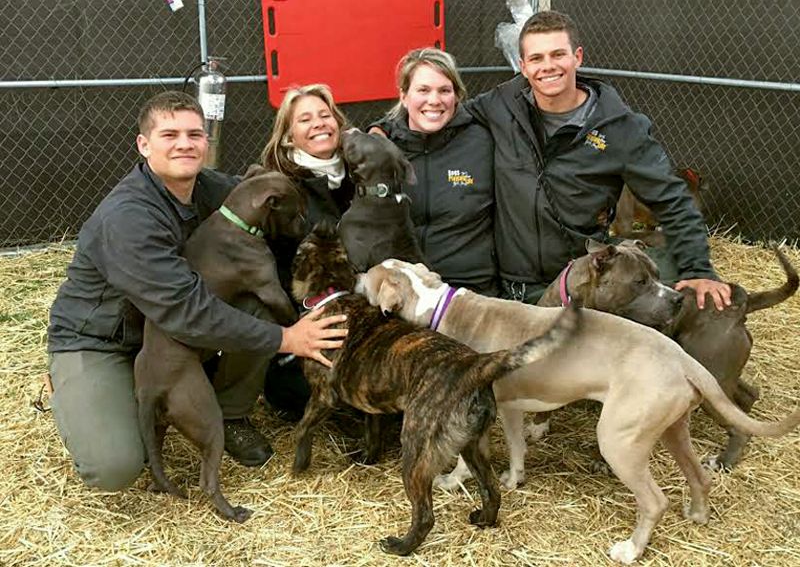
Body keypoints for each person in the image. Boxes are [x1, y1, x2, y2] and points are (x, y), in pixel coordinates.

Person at [46, 91, 348, 492]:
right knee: (114, 467)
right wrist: (288, 338)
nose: (185, 143)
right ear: (144, 144)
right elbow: (188, 312)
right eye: (169, 134)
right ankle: (70, 384)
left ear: (207, 142)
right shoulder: (129, 217)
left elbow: (268, 194)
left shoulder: (207, 188)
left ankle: (230, 412)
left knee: (257, 305)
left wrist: (318, 149)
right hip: (105, 340)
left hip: (165, 333)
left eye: (195, 134)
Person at [465, 10, 731, 308]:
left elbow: (672, 199)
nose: (548, 66)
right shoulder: (500, 105)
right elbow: (445, 118)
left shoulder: (619, 127)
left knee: (671, 296)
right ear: (523, 66)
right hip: (513, 287)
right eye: (537, 58)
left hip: (582, 284)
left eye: (558, 54)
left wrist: (698, 270)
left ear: (577, 57)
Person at [259, 84, 356, 417]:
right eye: (304, 119)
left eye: (325, 115)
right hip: (307, 315)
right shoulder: (281, 191)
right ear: (288, 137)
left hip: (361, 307)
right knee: (306, 395)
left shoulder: (362, 175)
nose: (318, 123)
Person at [375, 48, 498, 296]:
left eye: (444, 90)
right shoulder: (384, 149)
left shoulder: (483, 139)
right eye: (423, 90)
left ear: (457, 96)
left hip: (470, 291)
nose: (434, 100)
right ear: (404, 96)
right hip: (405, 292)